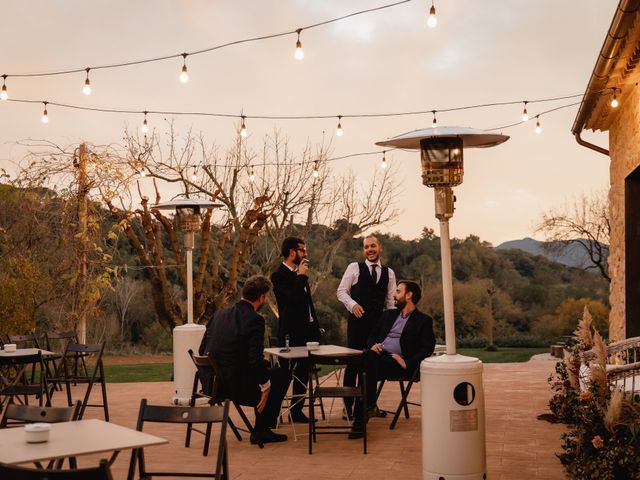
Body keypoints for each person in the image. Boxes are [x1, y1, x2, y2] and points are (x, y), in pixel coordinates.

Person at [201, 275, 289, 445]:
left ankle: (264, 426)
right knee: (281, 375)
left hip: (210, 385)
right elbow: (254, 360)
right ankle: (262, 429)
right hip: (234, 388)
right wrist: (265, 385)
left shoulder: (218, 314)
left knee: (265, 371)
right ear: (262, 298)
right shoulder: (255, 320)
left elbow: (202, 350)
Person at [351, 280, 435, 438]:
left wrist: (407, 362)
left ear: (409, 295)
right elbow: (372, 335)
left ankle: (360, 418)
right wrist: (373, 345)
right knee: (369, 358)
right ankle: (367, 408)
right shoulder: (388, 315)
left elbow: (427, 347)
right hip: (378, 357)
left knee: (365, 368)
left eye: (398, 292)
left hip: (397, 362)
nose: (393, 295)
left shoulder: (423, 320)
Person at [337, 234, 396, 417]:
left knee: (372, 365)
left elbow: (391, 303)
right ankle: (348, 408)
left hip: (377, 328)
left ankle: (368, 406)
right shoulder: (354, 268)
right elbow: (341, 292)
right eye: (366, 247)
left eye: (373, 246)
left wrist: (390, 327)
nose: (369, 250)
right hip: (357, 325)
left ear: (380, 248)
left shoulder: (389, 273)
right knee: (353, 365)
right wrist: (352, 305)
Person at [270, 236, 321, 423]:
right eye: (303, 250)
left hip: (308, 334)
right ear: (292, 252)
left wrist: (316, 326)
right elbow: (291, 299)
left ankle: (296, 411)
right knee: (285, 374)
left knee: (303, 374)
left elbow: (307, 304)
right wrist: (300, 276)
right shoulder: (278, 276)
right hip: (290, 333)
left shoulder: (302, 274)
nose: (306, 254)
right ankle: (273, 414)